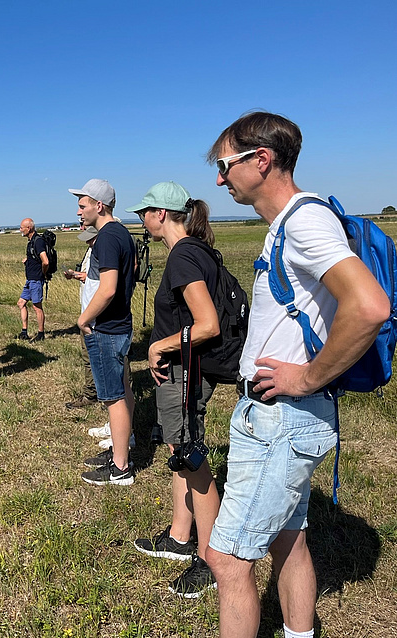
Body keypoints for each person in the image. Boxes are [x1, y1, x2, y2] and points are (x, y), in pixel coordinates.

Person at [204, 112, 390, 638]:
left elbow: (370, 307)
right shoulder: (290, 223)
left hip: (282, 418)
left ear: (261, 160)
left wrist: (307, 378)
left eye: (225, 165)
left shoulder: (304, 222)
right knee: (289, 540)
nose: (219, 179)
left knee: (227, 559)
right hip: (280, 416)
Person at [123, 182, 222, 598]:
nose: (141, 219)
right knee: (178, 450)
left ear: (161, 214)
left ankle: (212, 558)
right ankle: (180, 538)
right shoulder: (196, 250)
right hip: (184, 372)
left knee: (191, 458)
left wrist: (158, 346)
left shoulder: (182, 256)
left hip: (185, 372)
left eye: (144, 212)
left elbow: (208, 325)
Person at [71, 178, 137, 486]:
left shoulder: (107, 237)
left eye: (82, 205)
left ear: (99, 206)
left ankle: (120, 468)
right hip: (120, 324)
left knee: (114, 398)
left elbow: (108, 289)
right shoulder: (122, 233)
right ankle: (120, 450)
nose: (79, 211)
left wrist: (84, 320)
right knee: (123, 390)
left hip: (107, 328)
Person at [63, 226, 100, 409]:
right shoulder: (92, 250)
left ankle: (109, 397)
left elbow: (101, 283)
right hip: (88, 313)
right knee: (89, 356)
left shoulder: (105, 251)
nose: (88, 241)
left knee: (105, 358)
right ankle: (92, 393)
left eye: (90, 238)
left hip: (98, 314)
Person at [16, 218, 48, 341]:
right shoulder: (31, 241)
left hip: (36, 279)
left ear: (28, 228)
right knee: (21, 303)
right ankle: (24, 332)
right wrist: (28, 262)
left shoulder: (38, 241)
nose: (20, 230)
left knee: (37, 307)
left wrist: (43, 273)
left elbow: (45, 261)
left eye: (21, 228)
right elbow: (36, 259)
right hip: (30, 279)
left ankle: (41, 334)